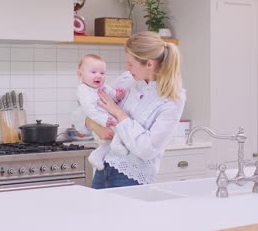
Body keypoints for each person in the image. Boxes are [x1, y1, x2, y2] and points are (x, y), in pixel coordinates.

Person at [73, 31, 186, 189]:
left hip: (131, 179)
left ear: (149, 64)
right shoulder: (128, 80)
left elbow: (147, 149)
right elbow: (86, 108)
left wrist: (118, 113)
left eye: (131, 63)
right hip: (102, 169)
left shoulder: (173, 98)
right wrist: (94, 125)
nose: (127, 68)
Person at [75, 54, 128, 170]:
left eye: (102, 73)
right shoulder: (83, 90)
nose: (98, 76)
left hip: (105, 118)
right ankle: (116, 143)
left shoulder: (102, 86)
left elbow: (111, 94)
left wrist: (117, 96)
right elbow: (89, 109)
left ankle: (96, 156)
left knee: (106, 143)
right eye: (93, 72)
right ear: (80, 75)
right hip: (100, 120)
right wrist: (102, 120)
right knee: (119, 126)